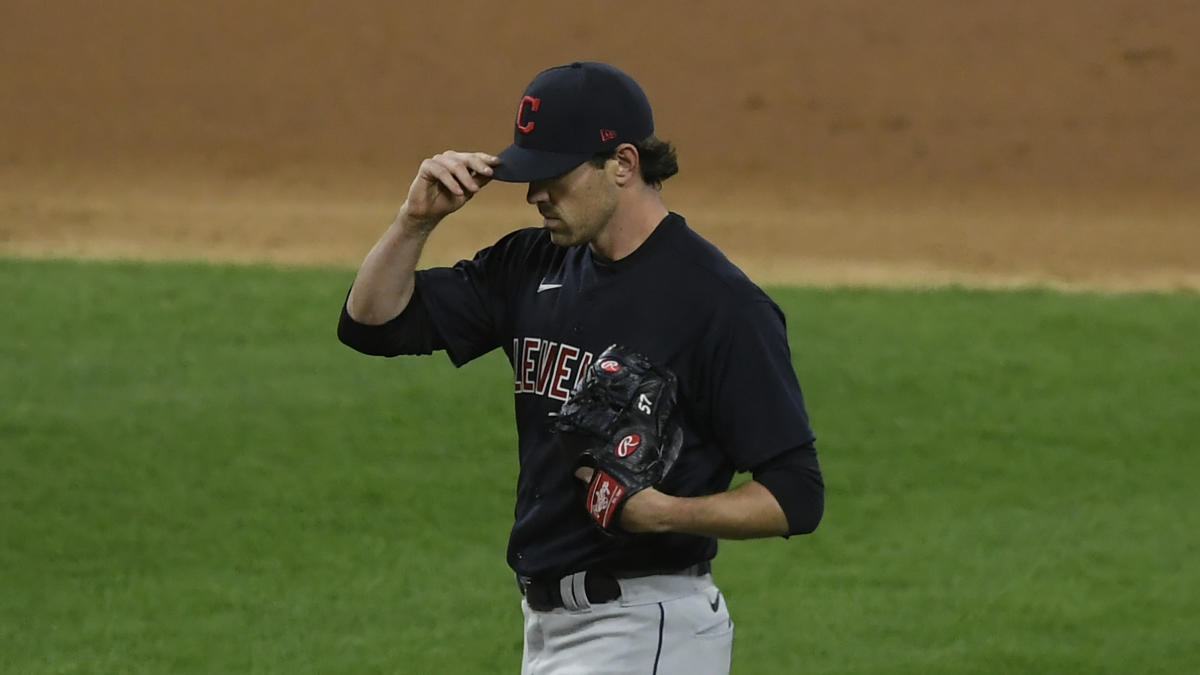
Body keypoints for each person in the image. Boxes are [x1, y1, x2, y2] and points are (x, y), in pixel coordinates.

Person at [338, 61, 824, 674]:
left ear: (622, 164)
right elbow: (372, 324)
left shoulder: (719, 304)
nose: (534, 193)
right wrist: (416, 222)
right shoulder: (530, 265)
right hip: (547, 629)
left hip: (646, 626)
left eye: (552, 174)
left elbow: (796, 494)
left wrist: (664, 512)